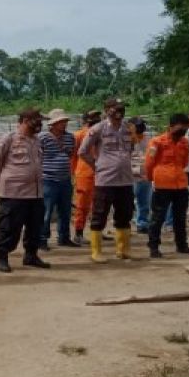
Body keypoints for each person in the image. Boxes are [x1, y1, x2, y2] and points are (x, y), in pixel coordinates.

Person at [0, 108, 49, 273]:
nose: (39, 124)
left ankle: (31, 256)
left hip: (35, 193)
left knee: (35, 226)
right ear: (24, 120)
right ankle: (2, 258)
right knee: (9, 227)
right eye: (36, 120)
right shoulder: (8, 139)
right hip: (13, 193)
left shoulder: (36, 140)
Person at [78, 98, 135, 263]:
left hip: (125, 179)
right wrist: (97, 165)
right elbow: (82, 151)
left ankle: (123, 250)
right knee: (99, 215)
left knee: (124, 215)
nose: (120, 111)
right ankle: (96, 252)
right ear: (107, 110)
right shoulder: (98, 129)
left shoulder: (127, 128)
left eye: (122, 108)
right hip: (105, 180)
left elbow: (129, 149)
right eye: (116, 108)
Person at [144, 113, 189, 258]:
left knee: (180, 218)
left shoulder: (184, 142)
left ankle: (182, 245)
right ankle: (154, 246)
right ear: (171, 126)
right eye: (181, 127)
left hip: (180, 184)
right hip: (162, 184)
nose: (183, 130)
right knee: (158, 217)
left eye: (185, 127)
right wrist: (153, 179)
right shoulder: (157, 142)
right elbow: (149, 164)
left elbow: (185, 162)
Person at [38, 109, 76, 249]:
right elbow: (38, 157)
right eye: (61, 122)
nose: (64, 124)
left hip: (65, 179)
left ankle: (64, 237)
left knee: (65, 211)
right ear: (53, 124)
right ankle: (42, 239)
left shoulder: (70, 137)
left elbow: (71, 154)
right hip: (48, 180)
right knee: (46, 212)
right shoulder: (42, 138)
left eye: (65, 121)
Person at [71, 109, 101, 245]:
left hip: (100, 173)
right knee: (82, 204)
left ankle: (97, 230)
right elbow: (73, 156)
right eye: (93, 117)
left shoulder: (101, 133)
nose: (96, 119)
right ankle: (78, 232)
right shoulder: (79, 135)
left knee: (99, 204)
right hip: (84, 173)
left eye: (97, 117)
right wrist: (73, 173)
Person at [129, 117, 153, 235]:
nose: (140, 127)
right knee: (127, 201)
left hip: (143, 174)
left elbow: (152, 155)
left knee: (144, 201)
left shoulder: (149, 140)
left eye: (141, 125)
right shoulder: (126, 140)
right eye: (137, 125)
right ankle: (125, 223)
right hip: (128, 175)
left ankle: (142, 223)